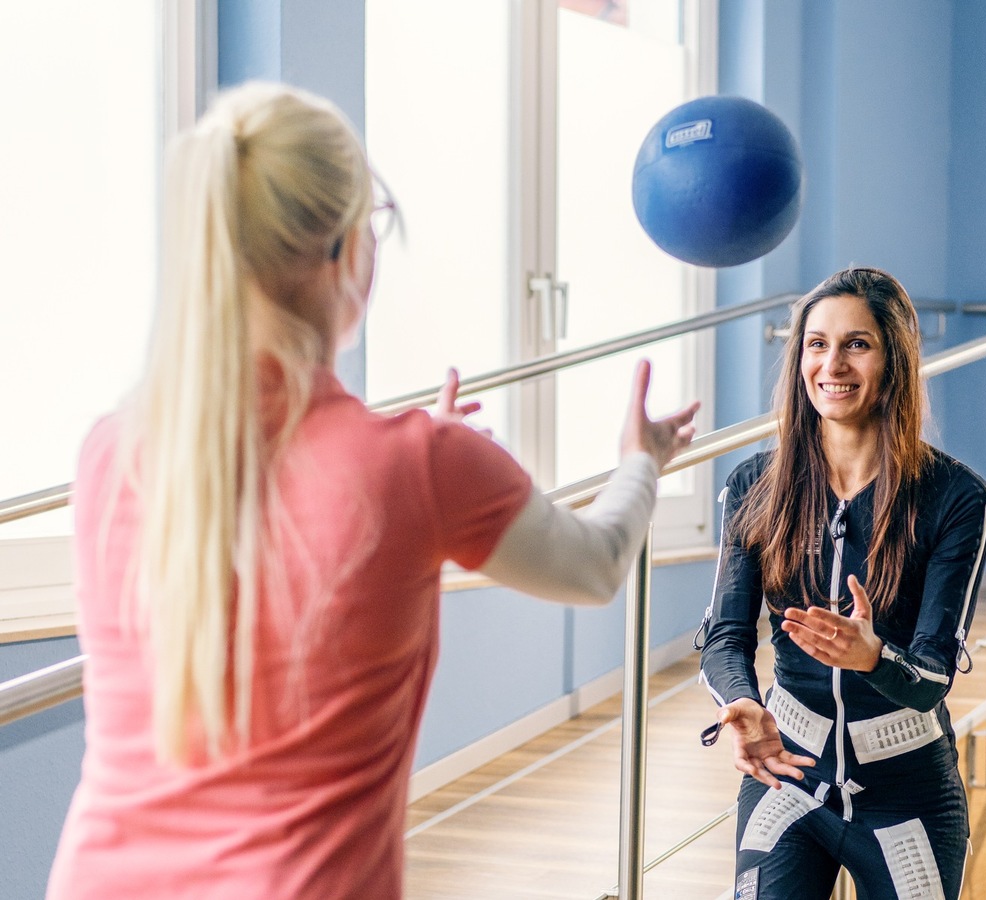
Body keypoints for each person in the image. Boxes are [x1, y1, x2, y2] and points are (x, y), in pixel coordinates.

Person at [46, 81, 698, 899]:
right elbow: (597, 565)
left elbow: (276, 516)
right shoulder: (414, 466)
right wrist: (641, 457)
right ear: (350, 249)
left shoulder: (112, 451)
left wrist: (412, 464)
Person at [697, 267, 986, 900]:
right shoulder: (753, 487)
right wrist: (739, 704)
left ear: (894, 361)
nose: (832, 363)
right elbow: (724, 637)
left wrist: (875, 658)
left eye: (857, 343)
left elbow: (933, 677)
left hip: (908, 793)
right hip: (787, 777)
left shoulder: (956, 497)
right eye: (816, 343)